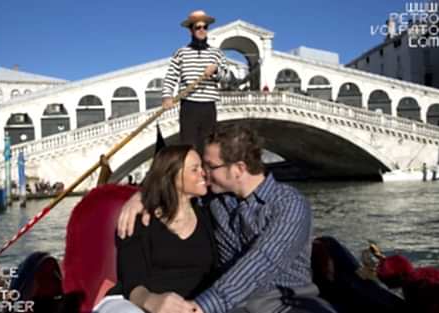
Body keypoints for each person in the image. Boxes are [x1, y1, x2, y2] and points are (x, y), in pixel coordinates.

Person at [117, 124, 336, 313]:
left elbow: (260, 264)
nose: (204, 173)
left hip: (285, 303)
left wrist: (200, 308)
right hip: (234, 308)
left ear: (239, 169)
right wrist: (144, 195)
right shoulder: (214, 199)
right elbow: (173, 185)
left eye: (210, 167)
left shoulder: (290, 204)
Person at [94, 145, 218, 313]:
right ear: (172, 176)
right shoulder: (139, 220)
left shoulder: (212, 212)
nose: (203, 173)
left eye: (202, 167)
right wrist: (152, 302)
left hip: (195, 305)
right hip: (135, 302)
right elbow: (132, 281)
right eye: (194, 169)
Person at [162, 10, 230, 154]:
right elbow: (171, 77)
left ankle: (206, 175)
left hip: (208, 106)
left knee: (208, 147)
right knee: (188, 148)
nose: (202, 30)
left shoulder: (216, 53)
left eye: (204, 27)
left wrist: (216, 70)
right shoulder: (181, 52)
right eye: (198, 27)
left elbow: (228, 77)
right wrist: (167, 96)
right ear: (191, 30)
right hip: (189, 106)